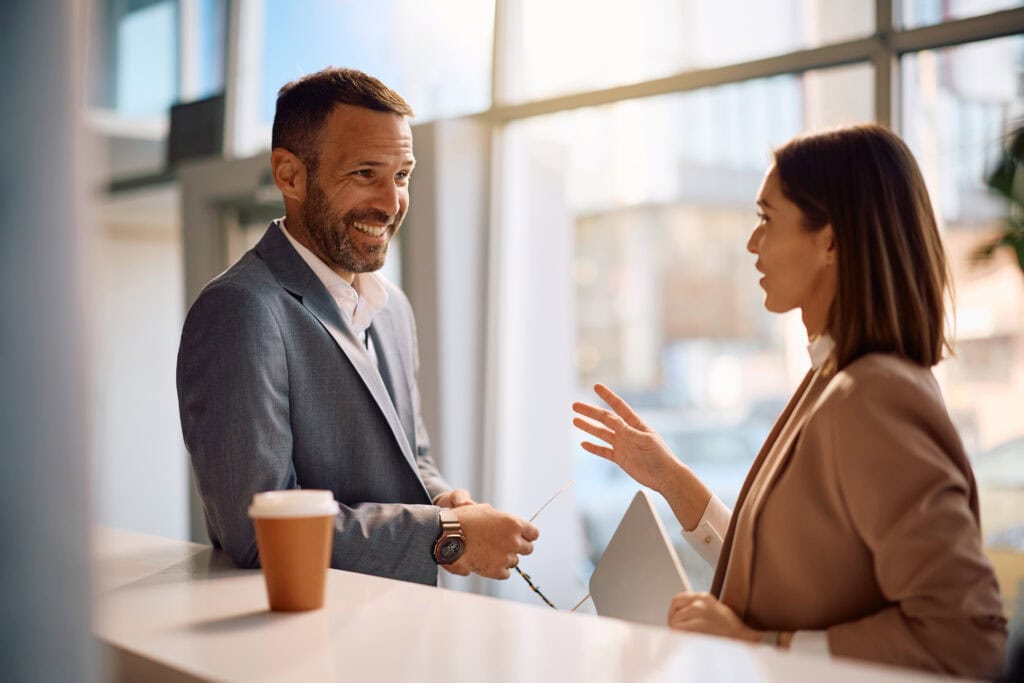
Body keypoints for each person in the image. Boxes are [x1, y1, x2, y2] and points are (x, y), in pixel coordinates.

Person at [572, 124, 1007, 677]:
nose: (752, 244)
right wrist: (670, 479)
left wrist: (761, 644)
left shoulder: (873, 395)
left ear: (830, 240)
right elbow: (792, 571)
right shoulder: (832, 378)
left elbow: (966, 635)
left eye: (765, 220)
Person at [177, 67, 537, 586]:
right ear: (289, 175)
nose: (391, 204)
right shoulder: (241, 309)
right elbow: (257, 531)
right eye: (365, 173)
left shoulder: (393, 308)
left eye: (402, 175)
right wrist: (446, 531)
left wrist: (442, 498)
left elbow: (412, 456)